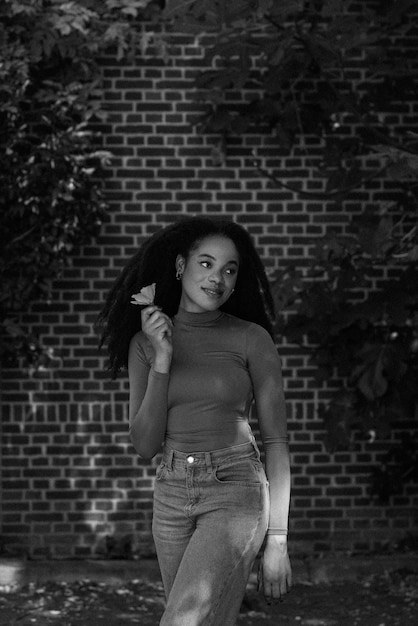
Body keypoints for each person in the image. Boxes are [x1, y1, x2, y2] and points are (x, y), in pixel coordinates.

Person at [97, 216, 291, 625]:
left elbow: (275, 442)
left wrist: (278, 539)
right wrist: (162, 360)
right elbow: (145, 445)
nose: (217, 278)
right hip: (170, 493)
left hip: (235, 491)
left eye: (229, 269)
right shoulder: (145, 343)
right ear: (181, 266)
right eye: (206, 264)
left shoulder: (251, 338)